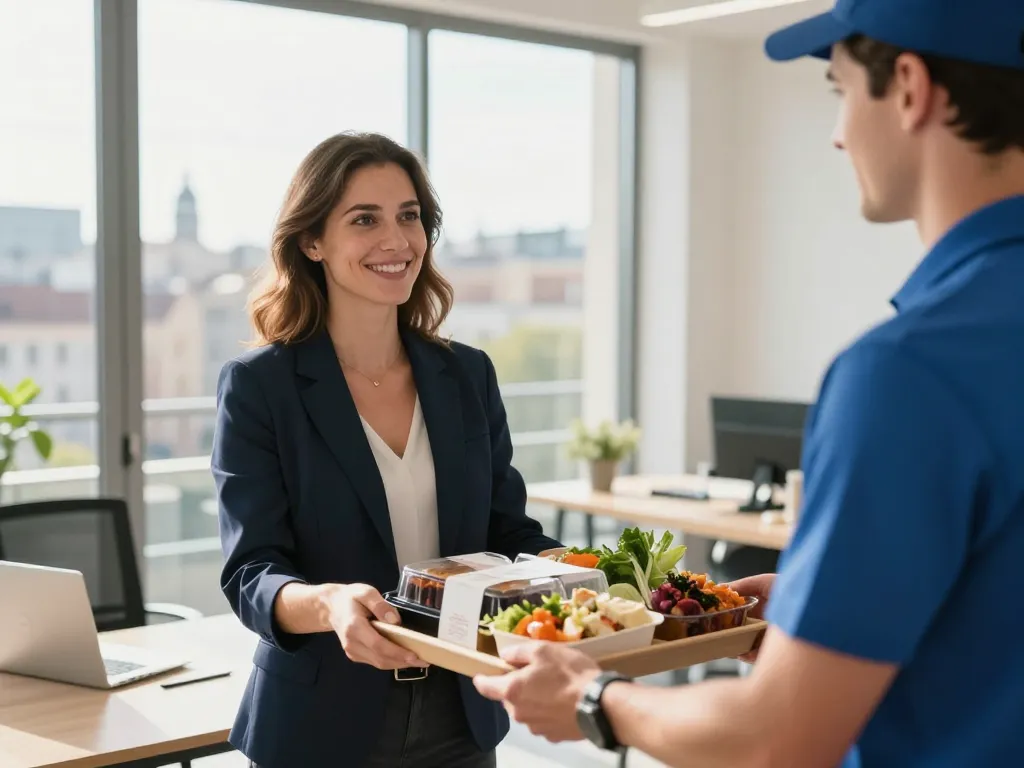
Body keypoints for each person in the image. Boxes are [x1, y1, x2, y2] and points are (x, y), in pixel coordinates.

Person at [473, 1, 1024, 766]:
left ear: (909, 87)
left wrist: (594, 698)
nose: (838, 134)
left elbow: (777, 740)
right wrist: (824, 611)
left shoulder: (911, 371)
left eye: (840, 92)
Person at [212, 131, 561, 768]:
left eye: (409, 216)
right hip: (320, 723)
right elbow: (251, 573)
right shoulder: (261, 386)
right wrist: (330, 604)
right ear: (312, 241)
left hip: (461, 711)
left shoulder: (467, 375)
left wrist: (589, 576)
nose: (397, 240)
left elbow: (508, 532)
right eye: (364, 219)